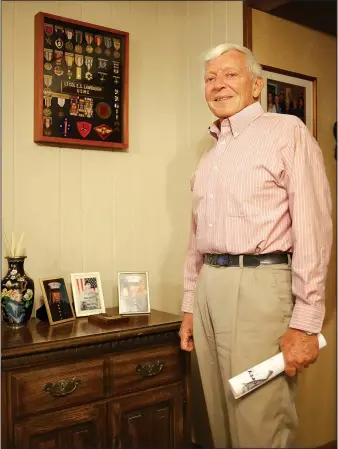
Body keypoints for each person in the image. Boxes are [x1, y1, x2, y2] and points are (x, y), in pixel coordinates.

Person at [179, 43, 332, 448]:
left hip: (262, 287)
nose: (218, 85)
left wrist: (306, 322)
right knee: (216, 421)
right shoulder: (210, 155)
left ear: (256, 85)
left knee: (258, 422)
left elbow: (314, 228)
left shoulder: (287, 133)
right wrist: (190, 305)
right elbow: (197, 238)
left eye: (230, 74)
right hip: (211, 286)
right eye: (210, 78)